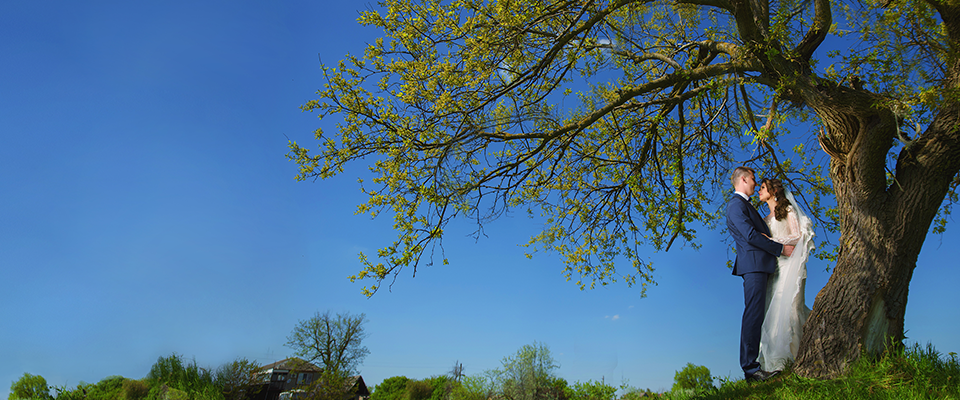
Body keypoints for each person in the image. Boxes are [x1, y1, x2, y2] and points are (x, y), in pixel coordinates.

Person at [725, 166, 794, 382]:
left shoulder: (745, 205)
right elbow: (750, 235)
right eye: (753, 179)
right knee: (753, 315)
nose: (755, 183)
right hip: (753, 266)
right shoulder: (736, 205)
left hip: (760, 265)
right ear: (744, 179)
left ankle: (756, 366)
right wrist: (780, 249)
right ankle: (751, 369)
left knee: (759, 314)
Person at [757, 178, 814, 372]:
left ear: (773, 191)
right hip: (776, 269)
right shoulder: (764, 220)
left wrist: (774, 241)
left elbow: (798, 235)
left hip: (791, 264)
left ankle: (799, 354)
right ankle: (777, 360)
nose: (759, 191)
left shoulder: (787, 210)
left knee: (791, 308)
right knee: (773, 312)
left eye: (763, 188)